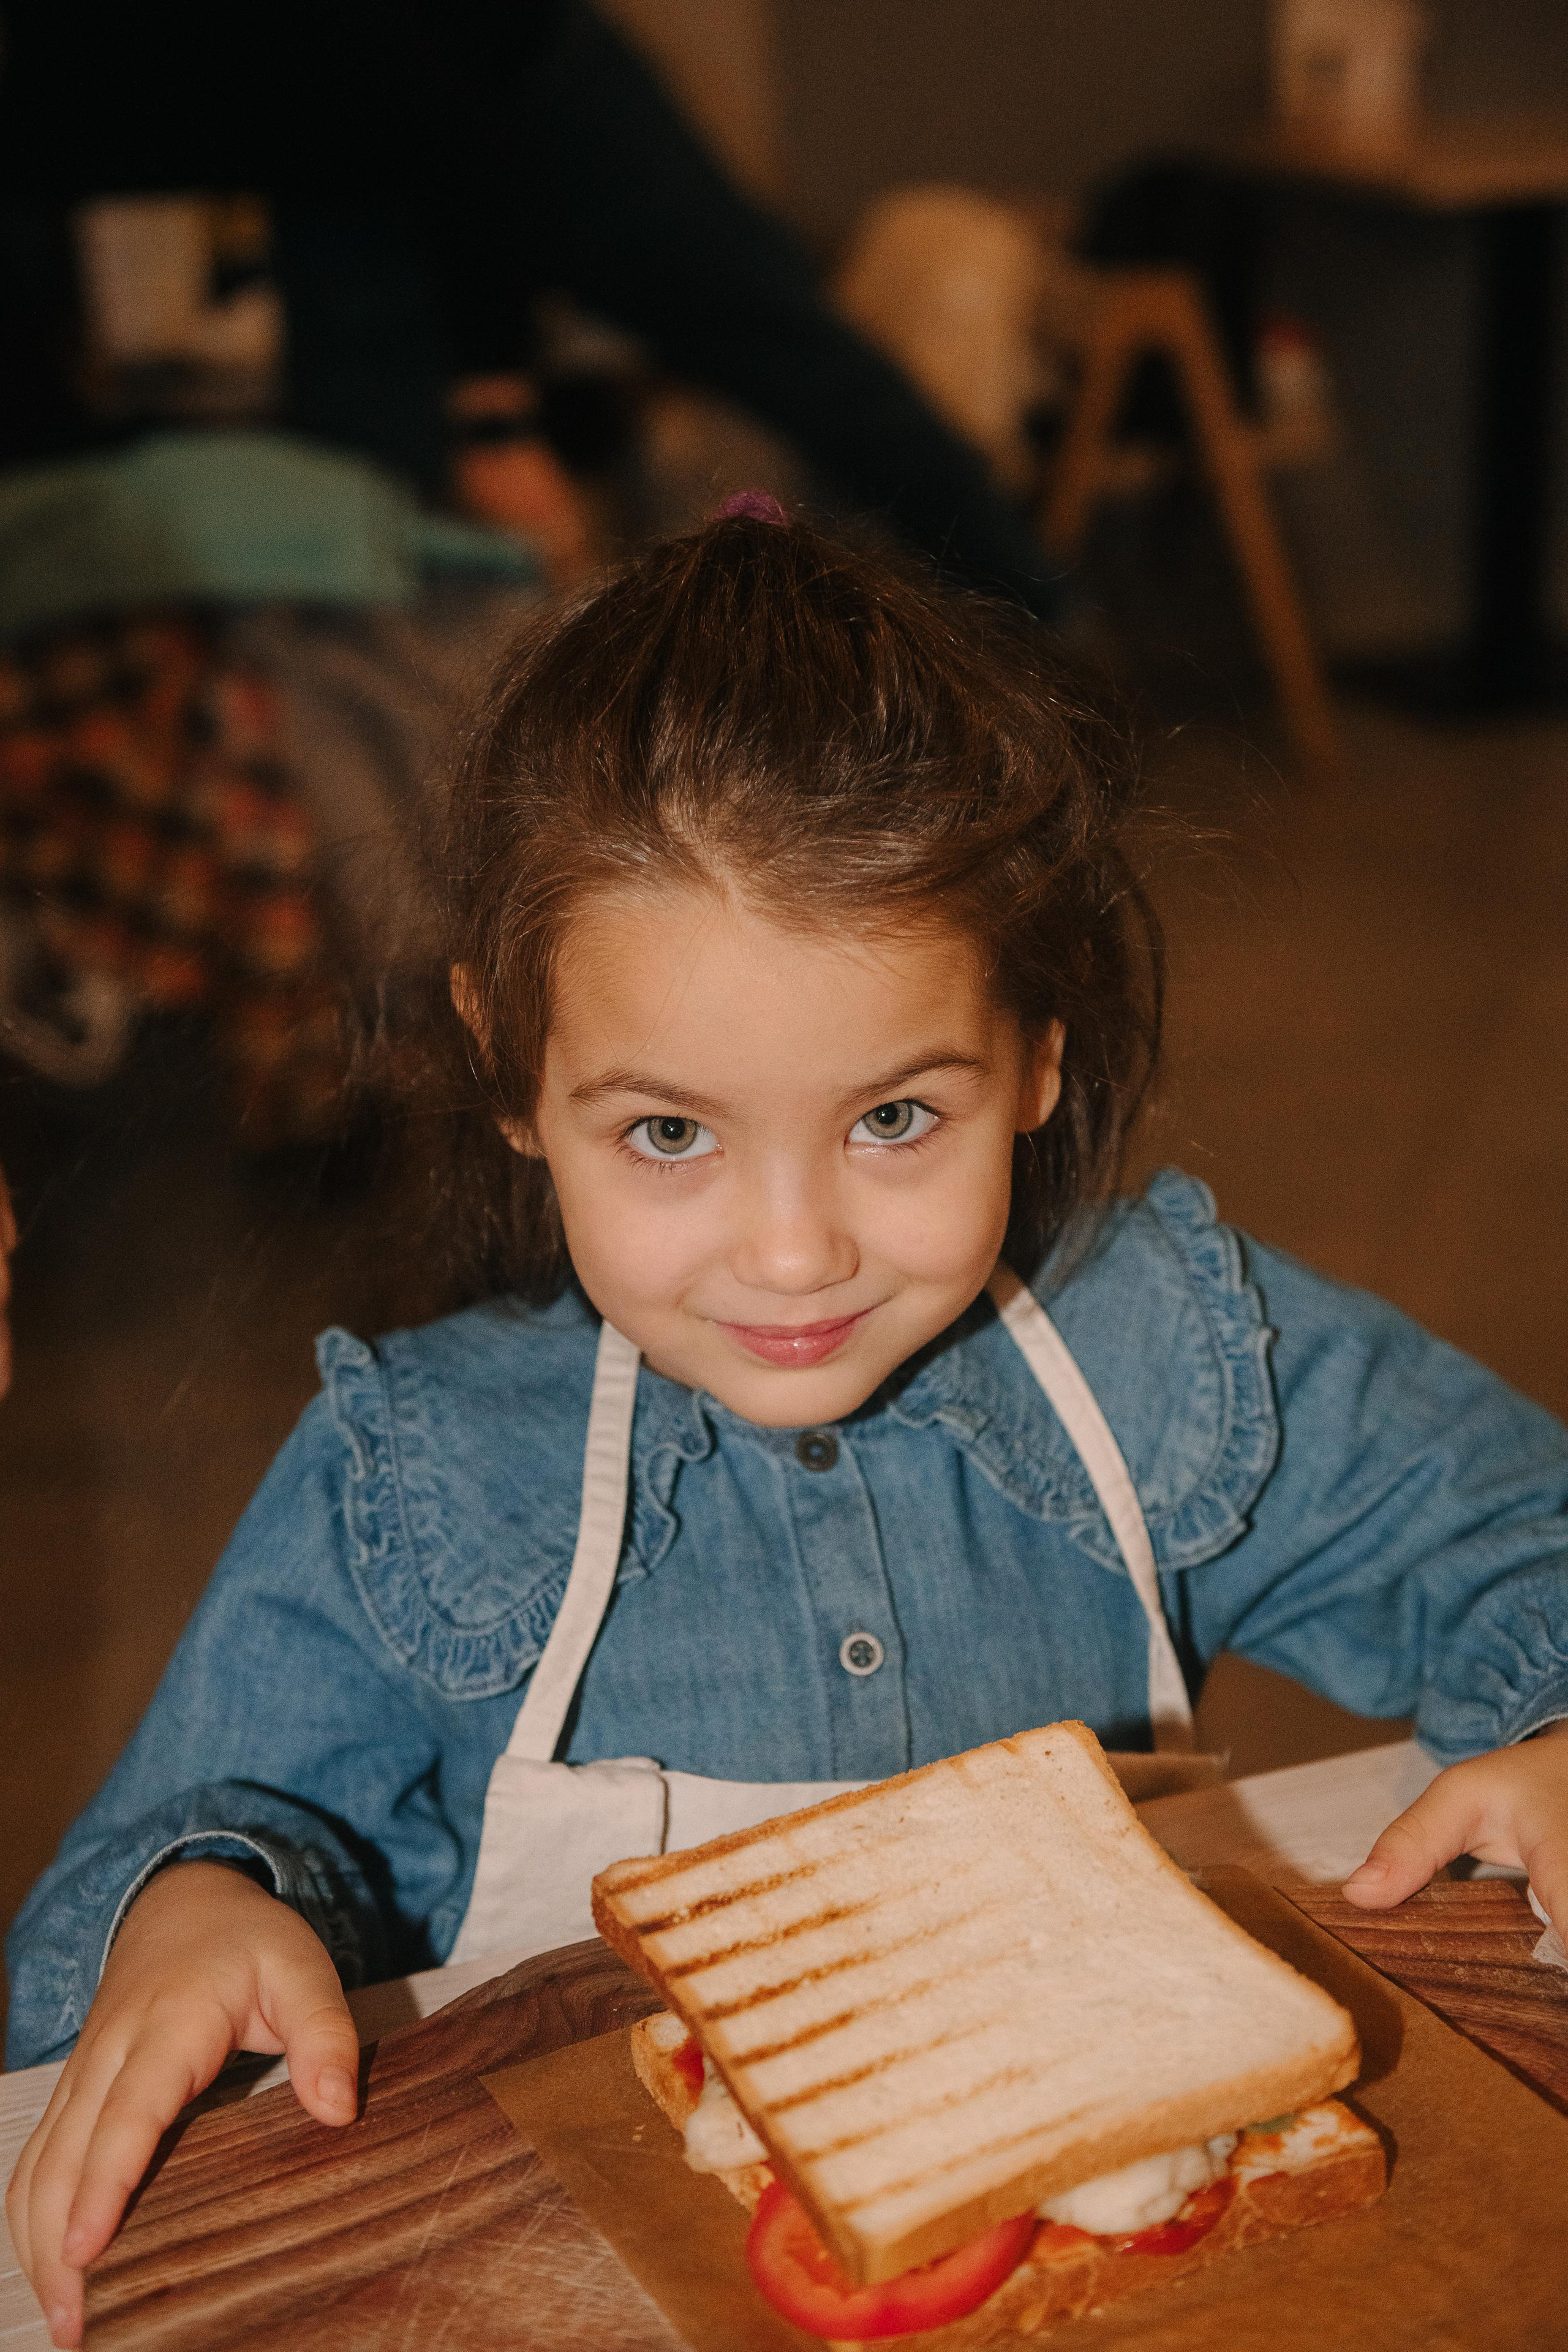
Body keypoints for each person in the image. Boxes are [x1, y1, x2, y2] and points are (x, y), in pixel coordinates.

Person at [7, 505, 1568, 2346]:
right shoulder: (423, 1471)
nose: (792, 1248)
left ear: (1039, 1053)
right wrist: (194, 1906)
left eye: (897, 1118)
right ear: (513, 1064)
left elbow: (1521, 1548)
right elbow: (197, 1834)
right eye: (669, 1133)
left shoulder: (1163, 1354)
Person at [0, 1, 1059, 618]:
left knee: (789, 351)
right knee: (368, 493)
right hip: (339, 165)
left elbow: (453, 133)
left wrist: (493, 409)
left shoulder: (327, 52)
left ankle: (1046, 619)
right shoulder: (68, 66)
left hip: (518, 83)